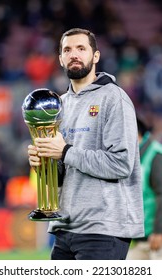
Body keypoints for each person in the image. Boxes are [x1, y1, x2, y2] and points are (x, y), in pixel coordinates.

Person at [28, 28, 144, 260]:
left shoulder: (114, 98)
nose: (74, 54)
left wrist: (66, 151)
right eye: (67, 50)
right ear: (60, 58)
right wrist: (43, 164)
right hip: (65, 227)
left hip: (104, 228)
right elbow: (63, 171)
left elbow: (121, 164)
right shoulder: (58, 104)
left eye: (81, 48)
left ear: (96, 56)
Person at [127, 117, 162, 260]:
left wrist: (159, 231)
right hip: (141, 238)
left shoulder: (156, 155)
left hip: (156, 236)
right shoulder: (133, 156)